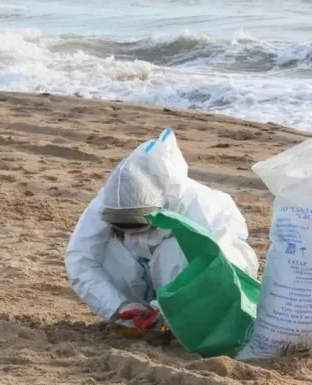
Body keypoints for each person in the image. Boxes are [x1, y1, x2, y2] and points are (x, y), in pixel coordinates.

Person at [64, 129, 259, 332]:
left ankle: (178, 323)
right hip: (145, 284)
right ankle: (139, 318)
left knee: (173, 251)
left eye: (138, 225)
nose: (133, 234)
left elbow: (217, 268)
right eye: (124, 227)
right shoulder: (107, 203)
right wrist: (119, 306)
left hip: (202, 288)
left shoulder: (200, 205)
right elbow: (80, 260)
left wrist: (167, 310)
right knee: (107, 252)